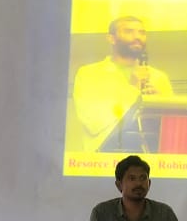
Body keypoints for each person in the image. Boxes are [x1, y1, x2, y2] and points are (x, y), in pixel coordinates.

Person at [72, 17, 174, 152]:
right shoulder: (89, 74)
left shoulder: (159, 77)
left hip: (149, 156)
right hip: (105, 157)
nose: (137, 37)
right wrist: (132, 89)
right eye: (129, 31)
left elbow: (171, 129)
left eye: (142, 32)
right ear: (111, 38)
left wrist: (159, 105)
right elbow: (93, 122)